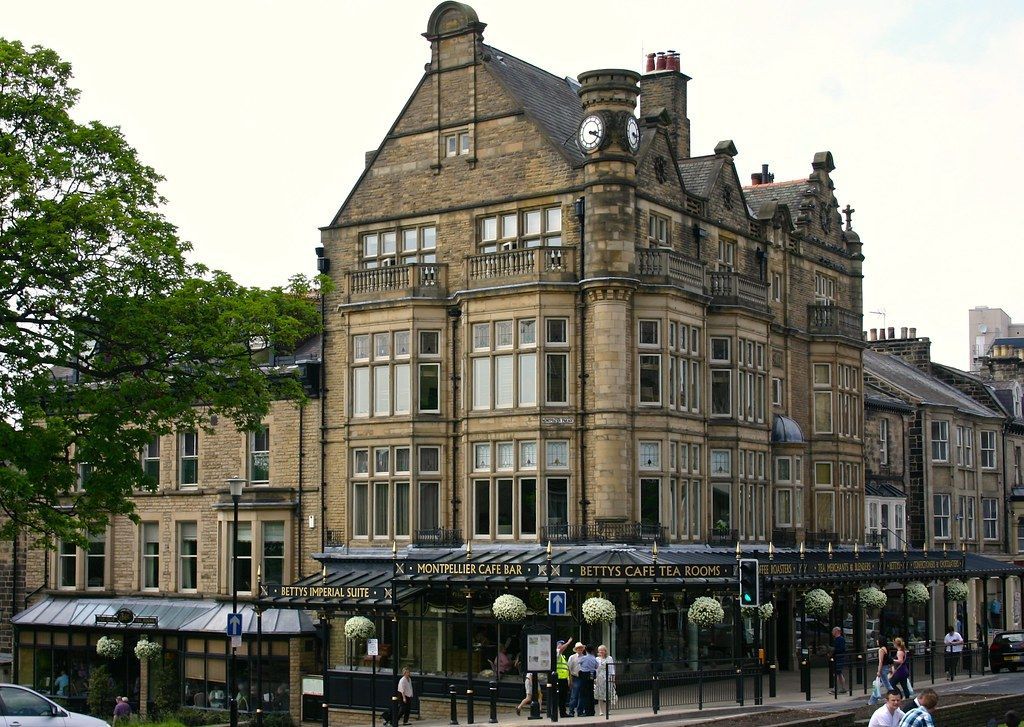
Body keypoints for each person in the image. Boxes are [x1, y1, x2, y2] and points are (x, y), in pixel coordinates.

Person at [868, 636, 894, 706]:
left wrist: (878, 671)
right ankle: (872, 701)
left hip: (882, 669)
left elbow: (880, 662)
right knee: (877, 684)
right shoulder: (886, 649)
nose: (876, 641)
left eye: (877, 640)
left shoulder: (881, 650)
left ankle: (894, 695)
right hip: (886, 668)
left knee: (887, 685)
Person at [594, 644, 616, 716]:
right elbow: (596, 669)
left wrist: (613, 677)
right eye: (599, 650)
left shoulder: (609, 658)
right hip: (600, 678)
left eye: (602, 650)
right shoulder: (597, 659)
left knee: (608, 693)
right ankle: (600, 710)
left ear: (605, 651)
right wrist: (595, 678)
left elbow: (612, 668)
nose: (601, 651)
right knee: (600, 694)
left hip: (608, 676)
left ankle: (608, 709)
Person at [577, 644, 598, 717]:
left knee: (584, 694)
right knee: (591, 693)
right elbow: (596, 666)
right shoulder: (594, 658)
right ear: (592, 651)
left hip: (584, 675)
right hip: (591, 675)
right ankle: (591, 711)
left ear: (586, 650)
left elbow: (578, 662)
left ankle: (586, 711)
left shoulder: (583, 658)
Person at [555, 639, 573, 718]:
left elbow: (566, 669)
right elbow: (560, 649)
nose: (562, 646)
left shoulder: (563, 656)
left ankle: (563, 712)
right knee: (560, 697)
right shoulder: (556, 653)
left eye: (563, 644)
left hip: (564, 679)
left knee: (563, 697)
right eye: (560, 644)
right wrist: (568, 642)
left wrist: (569, 679)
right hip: (558, 678)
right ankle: (561, 713)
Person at [566, 642, 585, 717]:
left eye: (581, 648)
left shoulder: (584, 657)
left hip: (583, 677)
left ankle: (580, 711)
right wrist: (569, 679)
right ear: (576, 649)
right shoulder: (572, 657)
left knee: (582, 695)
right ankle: (571, 711)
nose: (580, 649)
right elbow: (568, 669)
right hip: (575, 677)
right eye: (578, 648)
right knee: (574, 695)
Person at [830, 626, 847, 695]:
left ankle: (835, 688)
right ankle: (843, 688)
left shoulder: (840, 639)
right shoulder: (838, 639)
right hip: (838, 657)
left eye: (833, 631)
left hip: (839, 657)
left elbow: (840, 649)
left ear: (837, 631)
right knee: (839, 674)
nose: (832, 632)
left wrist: (833, 651)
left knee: (837, 673)